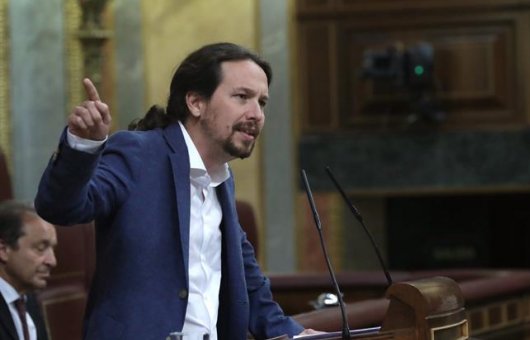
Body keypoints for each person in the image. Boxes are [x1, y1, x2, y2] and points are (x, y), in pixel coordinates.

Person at [34, 42, 318, 339]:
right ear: (196, 102)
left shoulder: (221, 178)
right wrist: (83, 146)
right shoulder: (138, 153)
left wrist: (297, 335)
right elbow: (60, 207)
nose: (256, 114)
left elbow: (246, 281)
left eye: (261, 102)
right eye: (242, 97)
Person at [0, 200, 57, 340]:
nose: (52, 261)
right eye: (41, 248)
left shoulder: (27, 300)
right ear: (4, 250)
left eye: (53, 249)